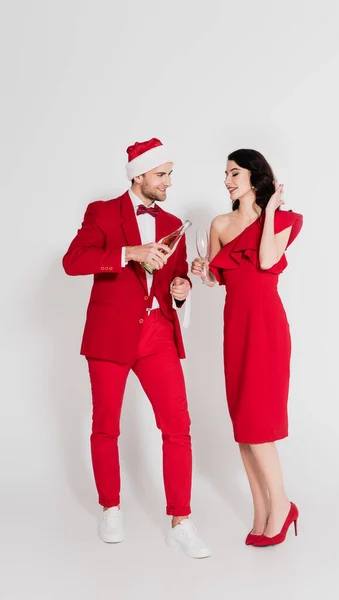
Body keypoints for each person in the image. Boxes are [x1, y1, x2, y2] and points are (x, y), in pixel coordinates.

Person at [63, 138, 210, 558]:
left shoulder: (174, 222)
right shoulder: (103, 212)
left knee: (177, 427)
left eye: (170, 174)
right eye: (161, 174)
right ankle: (110, 507)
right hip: (110, 335)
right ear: (139, 175)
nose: (168, 182)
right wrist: (129, 252)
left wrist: (182, 289)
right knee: (106, 425)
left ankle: (181, 519)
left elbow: (176, 277)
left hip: (157, 333)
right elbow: (73, 261)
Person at [191, 149, 303, 547]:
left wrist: (269, 210)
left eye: (234, 172)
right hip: (236, 328)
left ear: (254, 177)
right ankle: (261, 512)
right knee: (243, 426)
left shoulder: (285, 220)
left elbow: (268, 259)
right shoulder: (220, 223)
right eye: (224, 173)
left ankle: (284, 505)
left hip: (268, 329)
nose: (226, 179)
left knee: (258, 425)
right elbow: (219, 281)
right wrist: (203, 273)